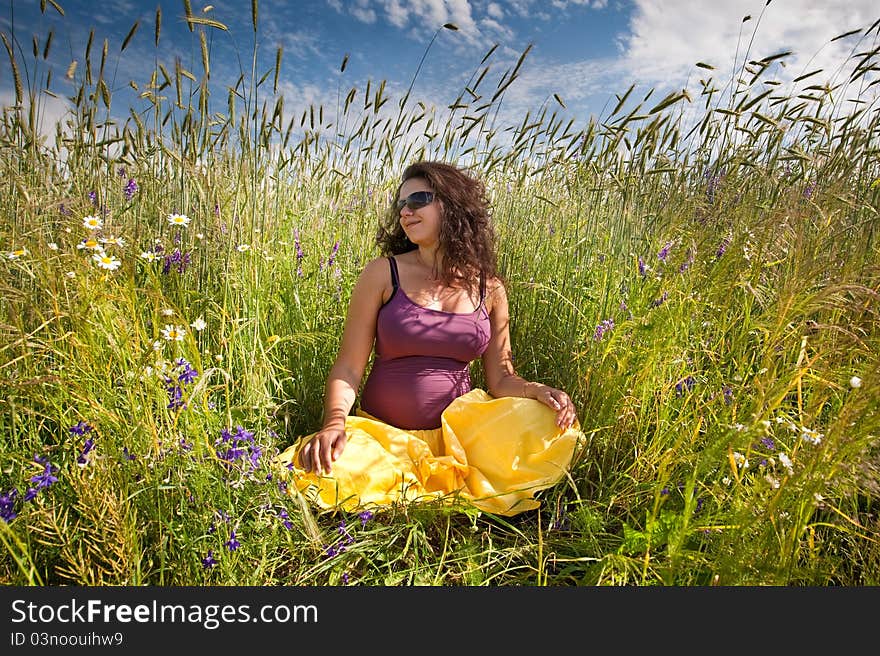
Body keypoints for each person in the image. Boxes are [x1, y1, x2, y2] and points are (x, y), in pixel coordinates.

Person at [277, 161, 584, 516]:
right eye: (400, 205)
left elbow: (500, 376)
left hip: (460, 439)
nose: (405, 212)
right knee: (317, 469)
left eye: (419, 200)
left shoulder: (491, 288)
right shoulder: (383, 273)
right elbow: (348, 367)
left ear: (452, 205)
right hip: (383, 438)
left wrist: (537, 391)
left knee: (548, 422)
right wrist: (334, 424)